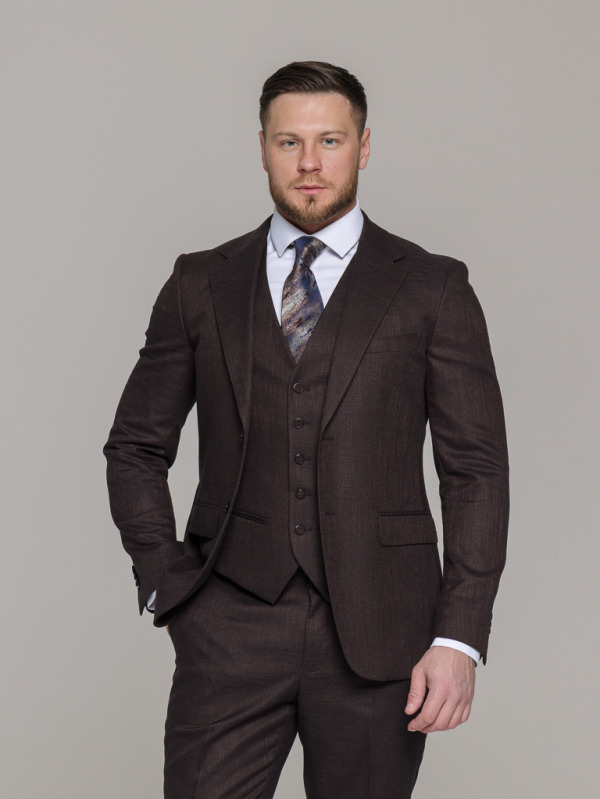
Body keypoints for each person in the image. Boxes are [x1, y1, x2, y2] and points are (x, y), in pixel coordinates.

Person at [104, 61, 509, 799]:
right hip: (228, 622)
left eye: (330, 140)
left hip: (382, 630)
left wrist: (458, 636)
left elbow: (475, 471)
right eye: (289, 142)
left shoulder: (432, 286)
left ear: (363, 146)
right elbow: (134, 445)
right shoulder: (200, 282)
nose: (310, 163)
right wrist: (167, 582)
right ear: (262, 148)